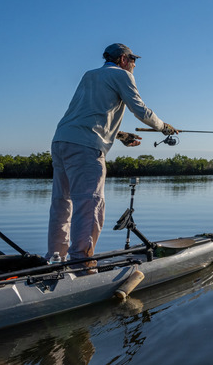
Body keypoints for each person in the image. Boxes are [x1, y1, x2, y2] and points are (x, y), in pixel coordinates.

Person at [47, 43, 178, 271]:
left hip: (61, 141)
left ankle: (55, 259)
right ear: (123, 60)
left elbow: (87, 114)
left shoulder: (90, 75)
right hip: (86, 147)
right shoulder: (122, 75)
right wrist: (163, 126)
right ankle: (82, 265)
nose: (135, 65)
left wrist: (120, 135)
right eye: (133, 60)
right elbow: (141, 110)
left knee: (62, 203)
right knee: (90, 204)